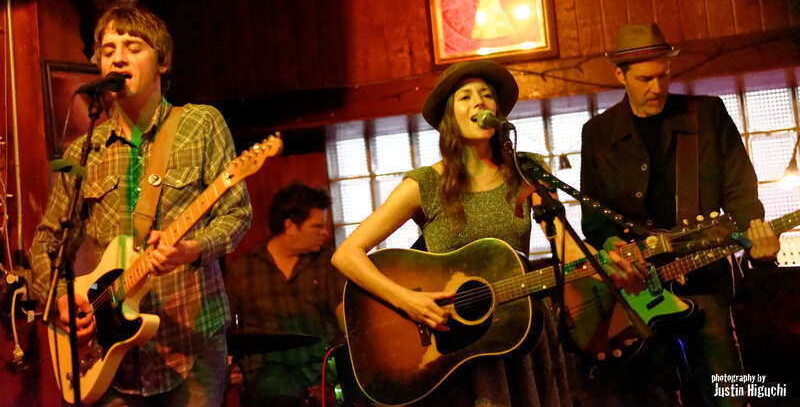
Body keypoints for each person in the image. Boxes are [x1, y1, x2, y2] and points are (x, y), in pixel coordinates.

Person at [331, 59, 644, 407]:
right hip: (458, 346)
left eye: (487, 95)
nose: (479, 102)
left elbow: (566, 245)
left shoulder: (527, 171)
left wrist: (606, 265)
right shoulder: (426, 184)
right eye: (465, 97)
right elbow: (346, 254)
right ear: (449, 117)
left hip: (522, 334)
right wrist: (407, 300)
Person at [29, 6, 252, 406]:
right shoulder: (85, 150)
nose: (117, 57)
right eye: (108, 49)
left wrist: (192, 249)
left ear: (162, 61)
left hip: (191, 341)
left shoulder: (200, 125)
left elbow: (237, 215)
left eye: (132, 47)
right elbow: (47, 242)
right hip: (109, 353)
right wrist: (60, 300)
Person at [579, 23, 781, 407]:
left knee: (733, 396)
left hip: (704, 280)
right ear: (619, 75)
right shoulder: (597, 133)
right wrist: (612, 244)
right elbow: (594, 219)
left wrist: (756, 240)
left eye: (663, 75)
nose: (656, 88)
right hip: (639, 293)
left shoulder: (706, 114)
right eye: (644, 79)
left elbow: (741, 193)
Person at [225, 182, 346, 407]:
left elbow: (344, 316)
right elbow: (226, 331)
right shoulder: (242, 271)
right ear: (290, 226)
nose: (325, 233)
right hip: (266, 383)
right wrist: (232, 368)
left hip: (322, 376)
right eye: (317, 227)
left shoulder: (329, 263)